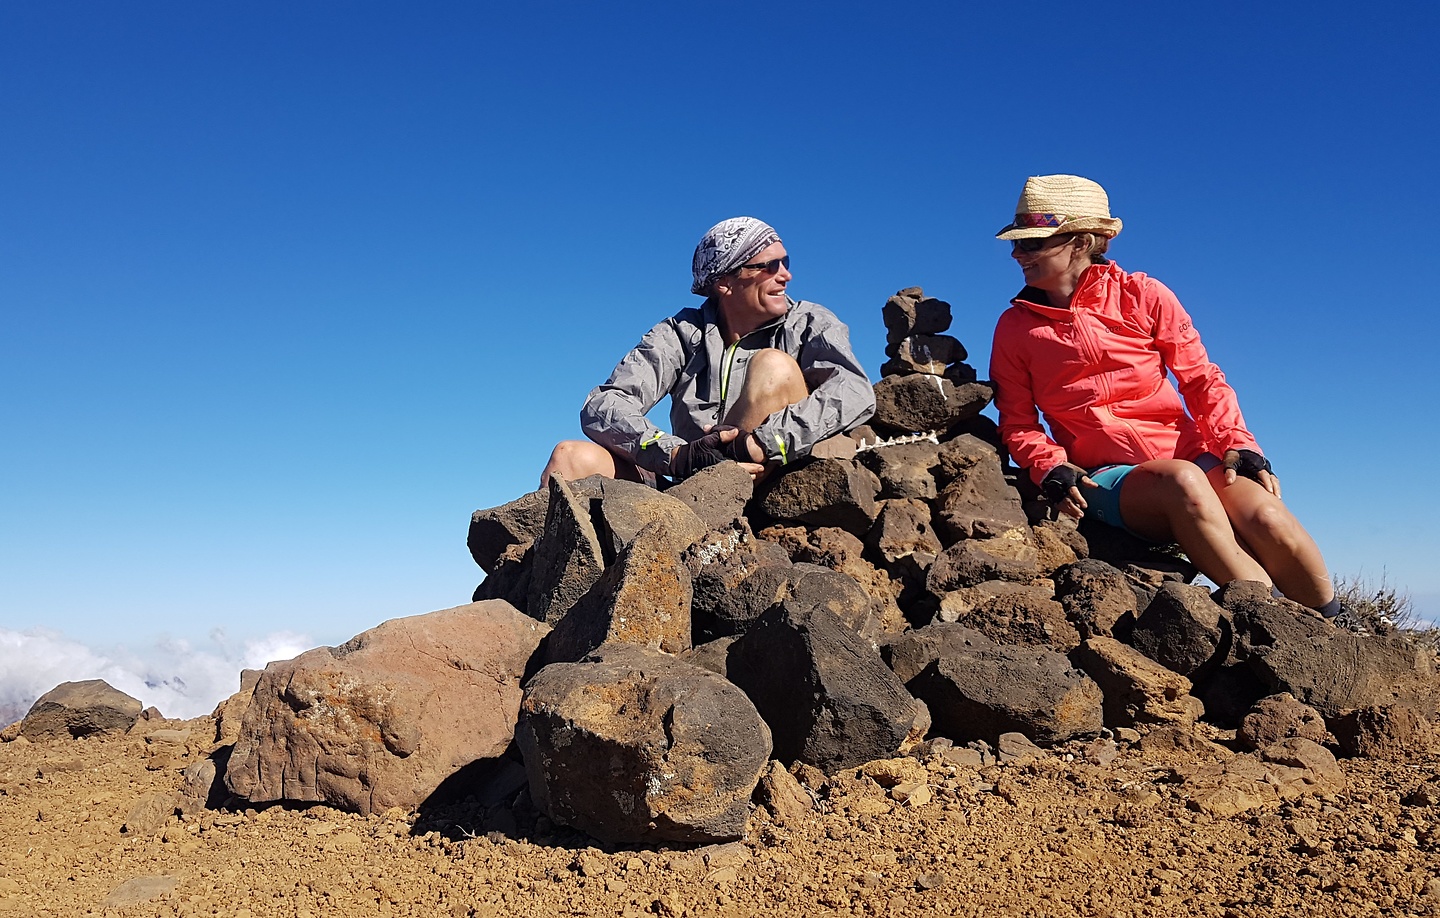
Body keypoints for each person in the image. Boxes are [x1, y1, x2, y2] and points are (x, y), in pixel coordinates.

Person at [987, 174, 1344, 620]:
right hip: (1108, 478)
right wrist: (1050, 468)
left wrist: (1239, 443)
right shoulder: (1015, 328)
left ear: (1080, 242)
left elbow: (1201, 379)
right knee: (1182, 483)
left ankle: (1338, 631)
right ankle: (1277, 631)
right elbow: (1018, 421)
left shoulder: (1144, 295)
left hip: (1189, 456)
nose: (1017, 254)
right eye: (1018, 244)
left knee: (1266, 517)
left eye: (1033, 243)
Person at [540, 216, 875, 489]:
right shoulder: (681, 333)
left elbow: (855, 391)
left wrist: (759, 443)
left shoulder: (808, 322)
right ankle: (545, 570)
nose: (785, 275)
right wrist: (675, 455)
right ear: (724, 282)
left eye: (785, 262)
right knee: (569, 457)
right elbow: (603, 405)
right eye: (769, 266)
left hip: (771, 481)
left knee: (774, 366)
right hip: (690, 487)